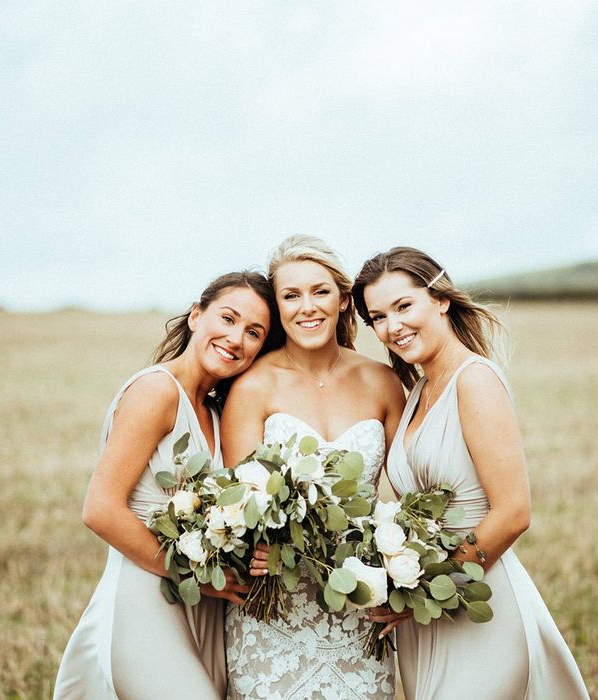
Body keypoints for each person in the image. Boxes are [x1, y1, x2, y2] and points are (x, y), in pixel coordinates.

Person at [352, 247, 590, 700]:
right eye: (378, 317)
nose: (393, 326)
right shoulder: (420, 388)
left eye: (404, 306)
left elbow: (514, 512)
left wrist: (427, 588)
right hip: (426, 619)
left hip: (480, 604)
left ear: (439, 299)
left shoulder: (474, 379)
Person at [53, 271, 281, 700]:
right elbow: (100, 509)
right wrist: (198, 576)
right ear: (196, 316)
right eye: (228, 319)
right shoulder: (157, 391)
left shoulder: (218, 413)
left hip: (202, 612)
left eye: (254, 332)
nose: (236, 338)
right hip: (146, 600)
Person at [222, 235, 405, 700]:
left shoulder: (381, 381)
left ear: (344, 300)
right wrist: (257, 547)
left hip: (359, 610)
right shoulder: (253, 386)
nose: (308, 307)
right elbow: (236, 502)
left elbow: (408, 496)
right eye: (291, 295)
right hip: (275, 612)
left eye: (320, 291)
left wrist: (406, 570)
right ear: (278, 308)